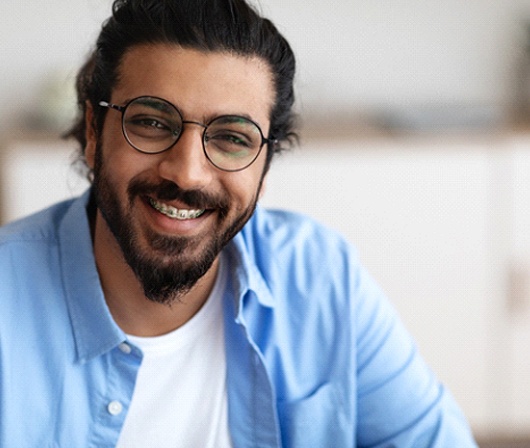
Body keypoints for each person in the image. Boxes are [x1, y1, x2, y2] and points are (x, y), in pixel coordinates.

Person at [0, 0, 478, 446]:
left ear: (266, 165)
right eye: (151, 122)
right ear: (92, 131)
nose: (186, 172)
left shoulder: (320, 276)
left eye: (232, 137)